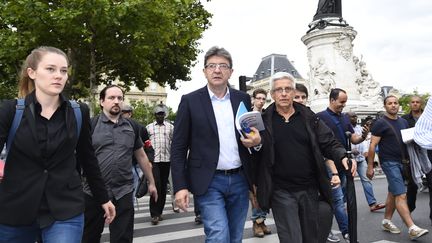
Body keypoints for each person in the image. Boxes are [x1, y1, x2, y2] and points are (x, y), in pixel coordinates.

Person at [0, 46, 115, 242]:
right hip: (15, 209)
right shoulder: (10, 111)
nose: (59, 76)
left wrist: (103, 197)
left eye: (63, 71)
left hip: (65, 208)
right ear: (32, 73)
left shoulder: (79, 112)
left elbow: (88, 159)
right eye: (51, 69)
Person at [171, 46, 261, 242]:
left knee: (235, 236)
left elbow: (253, 137)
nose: (217, 70)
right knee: (218, 235)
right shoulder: (190, 101)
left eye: (223, 66)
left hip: (239, 180)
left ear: (231, 71)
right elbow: (178, 148)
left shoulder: (242, 99)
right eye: (211, 66)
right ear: (204, 71)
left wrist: (256, 142)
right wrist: (180, 186)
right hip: (208, 181)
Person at [253, 72, 354, 242]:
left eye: (288, 89)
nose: (283, 93)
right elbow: (254, 155)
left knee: (311, 238)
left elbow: (329, 142)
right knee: (292, 238)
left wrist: (342, 156)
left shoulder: (309, 118)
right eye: (278, 90)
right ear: (272, 94)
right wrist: (255, 144)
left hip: (309, 189)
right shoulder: (262, 121)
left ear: (293, 92)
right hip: (281, 192)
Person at [82, 85, 157, 243]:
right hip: (93, 192)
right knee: (89, 237)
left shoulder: (131, 127)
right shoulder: (90, 126)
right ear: (102, 101)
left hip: (123, 191)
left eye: (120, 98)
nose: (116, 101)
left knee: (123, 238)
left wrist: (151, 182)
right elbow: (79, 157)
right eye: (111, 98)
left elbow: (142, 156)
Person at [367, 95, 428, 240]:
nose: (393, 105)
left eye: (395, 103)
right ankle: (412, 228)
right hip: (389, 162)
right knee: (401, 194)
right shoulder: (380, 123)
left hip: (404, 162)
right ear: (385, 106)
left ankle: (386, 220)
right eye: (390, 103)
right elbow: (372, 145)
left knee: (393, 192)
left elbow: (408, 141)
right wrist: (370, 167)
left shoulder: (403, 122)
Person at [317, 88, 368, 242]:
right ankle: (348, 233)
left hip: (344, 163)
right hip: (329, 163)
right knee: (338, 200)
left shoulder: (345, 118)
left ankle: (325, 230)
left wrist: (363, 136)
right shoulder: (320, 117)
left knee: (337, 200)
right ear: (332, 100)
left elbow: (353, 139)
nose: (344, 105)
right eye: (342, 102)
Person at [294, 83, 336, 243]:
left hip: (314, 180)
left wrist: (335, 172)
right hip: (289, 185)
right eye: (297, 96)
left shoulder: (313, 118)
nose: (300, 100)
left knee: (324, 211)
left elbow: (326, 146)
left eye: (303, 97)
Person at [402, 96, 432, 224]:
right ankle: (409, 210)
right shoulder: (404, 119)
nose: (415, 104)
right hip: (412, 155)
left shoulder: (428, 118)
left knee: (431, 184)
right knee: (412, 185)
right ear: (410, 104)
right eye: (413, 102)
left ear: (421, 104)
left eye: (417, 102)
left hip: (429, 154)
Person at [347, 112, 385, 212]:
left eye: (355, 116)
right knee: (346, 183)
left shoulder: (360, 128)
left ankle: (372, 204)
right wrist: (351, 151)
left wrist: (365, 151)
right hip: (349, 160)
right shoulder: (345, 128)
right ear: (347, 118)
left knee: (366, 180)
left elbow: (364, 140)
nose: (354, 118)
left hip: (360, 159)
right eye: (352, 117)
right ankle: (343, 204)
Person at [146, 103, 175, 225]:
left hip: (166, 160)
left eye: (162, 114)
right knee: (156, 185)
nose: (160, 116)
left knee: (163, 187)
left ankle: (160, 211)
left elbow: (174, 142)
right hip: (154, 161)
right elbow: (145, 143)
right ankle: (154, 214)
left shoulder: (170, 127)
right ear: (155, 115)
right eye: (158, 114)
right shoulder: (148, 128)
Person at [121, 105, 155, 203]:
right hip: (119, 165)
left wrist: (150, 161)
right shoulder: (114, 126)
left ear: (130, 113)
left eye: (123, 112)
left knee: (130, 194)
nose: (121, 115)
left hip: (135, 165)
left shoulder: (140, 128)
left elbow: (148, 146)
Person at [249, 88, 271, 237]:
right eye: (259, 98)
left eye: (264, 98)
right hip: (250, 158)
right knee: (254, 193)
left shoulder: (266, 115)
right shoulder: (247, 116)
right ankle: (256, 223)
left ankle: (261, 221)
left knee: (264, 191)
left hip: (264, 157)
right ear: (253, 99)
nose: (261, 101)